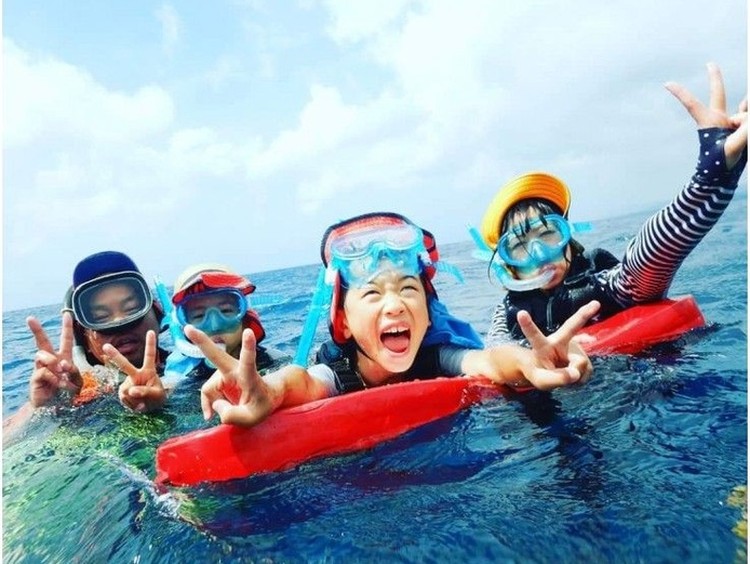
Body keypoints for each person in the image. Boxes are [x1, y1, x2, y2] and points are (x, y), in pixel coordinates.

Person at [188, 211, 600, 427]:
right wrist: (266, 391)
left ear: (426, 314)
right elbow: (302, 381)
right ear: (343, 323)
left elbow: (489, 361)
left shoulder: (436, 357)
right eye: (371, 293)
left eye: (408, 289)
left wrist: (528, 360)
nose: (395, 305)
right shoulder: (339, 373)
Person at [478, 63, 747, 342]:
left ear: (567, 238)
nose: (540, 254)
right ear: (507, 265)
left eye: (548, 234)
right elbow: (495, 353)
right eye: (519, 248)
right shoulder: (508, 315)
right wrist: (530, 357)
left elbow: (650, 255)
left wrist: (710, 179)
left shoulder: (608, 285)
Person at [7, 251, 169, 435]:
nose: (120, 324)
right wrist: (44, 408)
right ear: (84, 336)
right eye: (100, 317)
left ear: (157, 312)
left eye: (132, 309)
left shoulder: (189, 369)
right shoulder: (84, 390)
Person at [161, 263, 289, 382]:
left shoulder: (275, 363)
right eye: (199, 316)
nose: (215, 326)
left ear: (245, 318)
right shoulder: (185, 377)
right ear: (184, 328)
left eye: (226, 311)